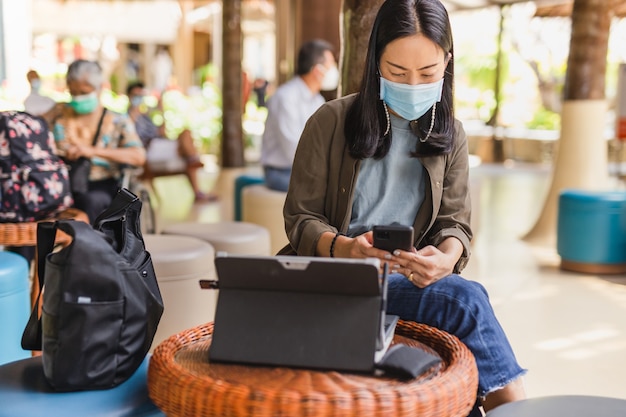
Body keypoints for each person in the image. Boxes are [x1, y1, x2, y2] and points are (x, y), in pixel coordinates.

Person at [279, 0, 526, 415]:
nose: (413, 85)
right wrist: (347, 247)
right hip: (335, 278)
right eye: (397, 73)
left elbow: (455, 225)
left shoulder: (451, 136)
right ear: (376, 61)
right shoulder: (330, 121)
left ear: (447, 63)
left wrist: (445, 260)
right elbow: (299, 219)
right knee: (465, 302)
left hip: (405, 280)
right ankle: (517, 409)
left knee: (460, 305)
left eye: (427, 74)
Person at [52, 59, 146, 223]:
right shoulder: (58, 115)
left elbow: (138, 156)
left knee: (90, 201)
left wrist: (92, 151)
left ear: (100, 88)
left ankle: (92, 247)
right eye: (73, 92)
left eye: (84, 92)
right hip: (61, 184)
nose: (78, 98)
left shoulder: (117, 120)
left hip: (101, 185)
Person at [260, 39, 339, 191]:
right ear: (317, 70)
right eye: (331, 64)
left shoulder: (318, 100)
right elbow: (293, 151)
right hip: (281, 172)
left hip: (307, 170)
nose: (335, 69)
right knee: (329, 192)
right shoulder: (285, 97)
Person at [126, 81, 216, 202]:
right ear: (128, 96)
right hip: (148, 149)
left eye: (140, 95)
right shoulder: (125, 117)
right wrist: (133, 113)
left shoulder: (145, 116)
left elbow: (161, 133)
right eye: (135, 95)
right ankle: (193, 160)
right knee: (186, 136)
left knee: (186, 132)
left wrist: (161, 112)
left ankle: (192, 161)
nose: (138, 98)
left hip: (159, 144)